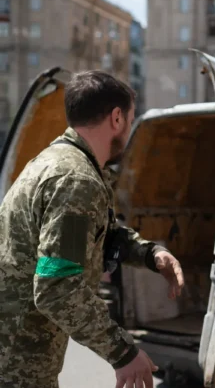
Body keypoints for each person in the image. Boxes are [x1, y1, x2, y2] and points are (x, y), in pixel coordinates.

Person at [0, 70, 186, 388]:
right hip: (18, 367)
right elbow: (57, 286)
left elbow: (101, 235)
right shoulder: (76, 180)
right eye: (130, 120)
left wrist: (151, 253)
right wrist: (123, 353)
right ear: (116, 118)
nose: (129, 129)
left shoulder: (59, 163)